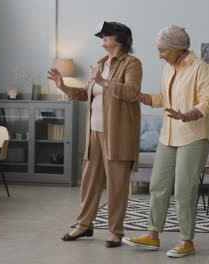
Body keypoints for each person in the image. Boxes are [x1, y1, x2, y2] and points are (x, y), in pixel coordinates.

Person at [122, 25, 209, 258]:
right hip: (168, 135)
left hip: (193, 136)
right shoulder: (168, 69)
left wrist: (187, 114)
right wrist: (142, 97)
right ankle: (152, 236)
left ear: (176, 48)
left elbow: (208, 101)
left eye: (162, 50)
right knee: (158, 185)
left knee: (184, 190)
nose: (160, 55)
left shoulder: (201, 68)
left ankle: (186, 240)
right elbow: (163, 98)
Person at [47, 21, 142, 248]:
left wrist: (104, 81)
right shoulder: (101, 63)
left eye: (107, 35)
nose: (103, 38)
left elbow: (132, 92)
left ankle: (115, 232)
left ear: (119, 38)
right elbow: (86, 93)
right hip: (94, 134)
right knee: (89, 182)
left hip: (118, 135)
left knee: (117, 185)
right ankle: (84, 225)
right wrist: (63, 86)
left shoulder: (132, 63)